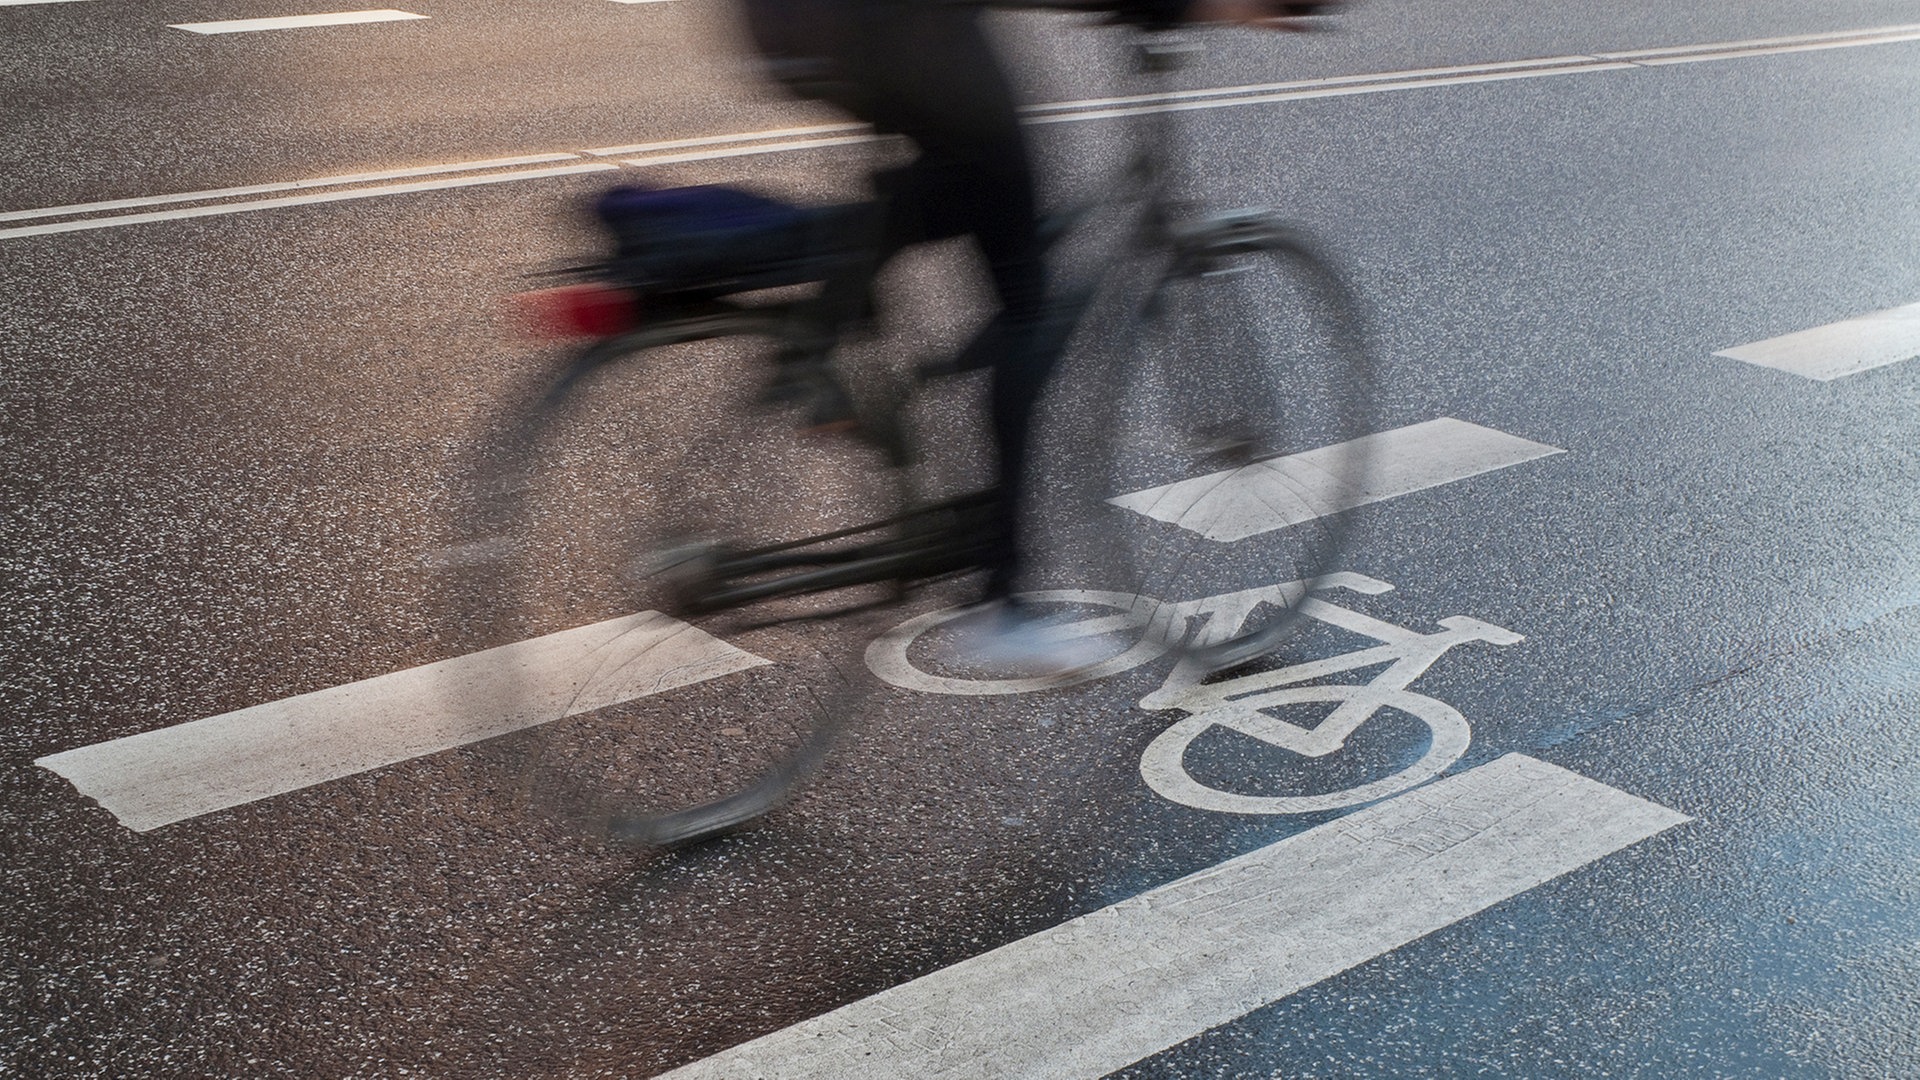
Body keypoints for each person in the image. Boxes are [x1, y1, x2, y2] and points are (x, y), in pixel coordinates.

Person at [741, 0, 1333, 669]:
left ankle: (817, 329)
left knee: (960, 179)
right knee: (1021, 285)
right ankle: (1004, 604)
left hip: (812, 25)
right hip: (884, 27)